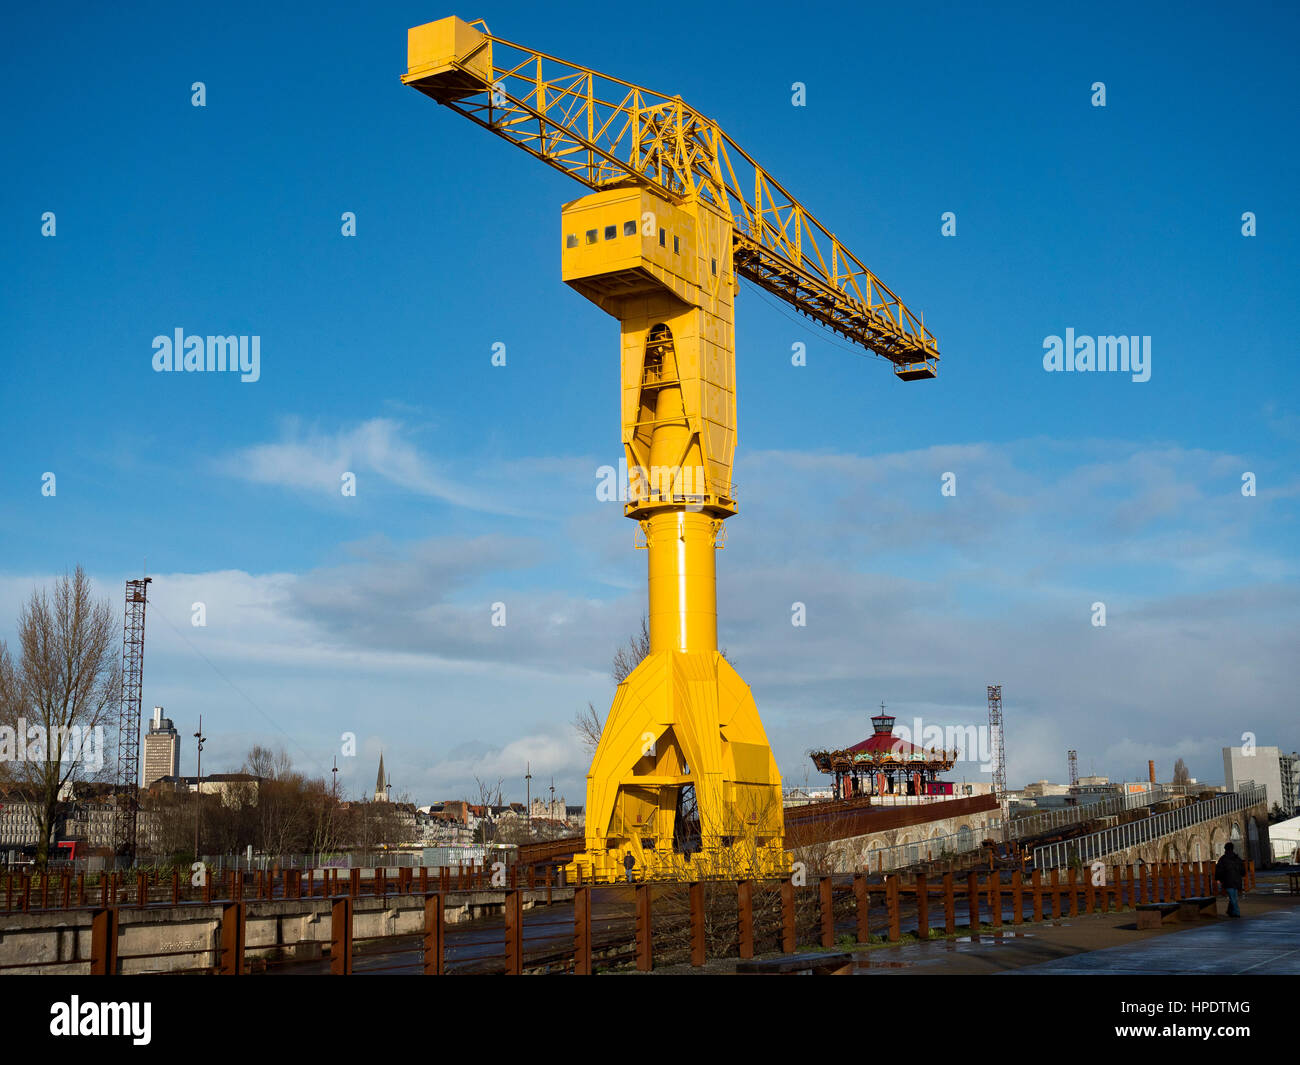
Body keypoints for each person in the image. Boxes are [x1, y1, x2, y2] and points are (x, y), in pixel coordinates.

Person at [1215, 842, 1246, 918]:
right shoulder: (1237, 858)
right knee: (1233, 896)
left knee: (1233, 898)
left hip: (1228, 880)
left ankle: (1236, 912)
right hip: (1237, 881)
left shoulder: (1223, 859)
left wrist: (1218, 878)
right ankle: (1230, 911)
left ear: (1225, 849)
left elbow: (1219, 870)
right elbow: (1242, 870)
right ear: (1233, 848)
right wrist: (1242, 875)